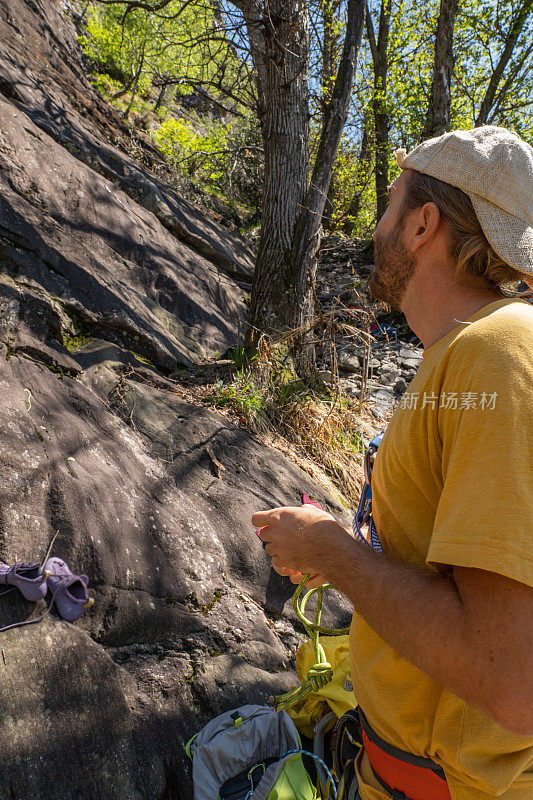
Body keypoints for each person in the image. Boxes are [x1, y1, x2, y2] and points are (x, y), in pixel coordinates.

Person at [252, 126, 533, 800]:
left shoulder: (496, 354)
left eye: (387, 206)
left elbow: (509, 680)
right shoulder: (469, 353)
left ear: (421, 225)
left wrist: (334, 553)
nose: (374, 228)